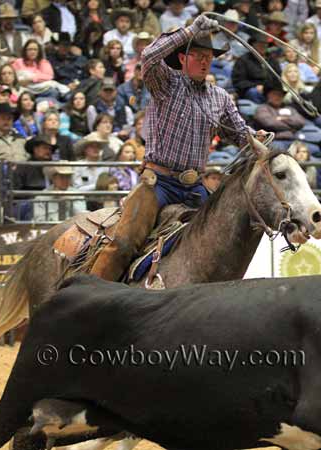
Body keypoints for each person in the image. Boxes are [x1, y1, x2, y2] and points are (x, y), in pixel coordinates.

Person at [88, 15, 267, 281]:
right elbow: (148, 56)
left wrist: (256, 138)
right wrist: (190, 30)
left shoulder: (220, 98)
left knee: (222, 238)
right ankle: (91, 292)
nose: (204, 61)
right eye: (197, 55)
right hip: (158, 184)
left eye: (208, 56)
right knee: (124, 244)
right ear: (182, 59)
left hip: (195, 186)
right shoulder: (167, 83)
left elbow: (239, 133)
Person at [253, 80, 306, 151]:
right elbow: (270, 123)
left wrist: (282, 119)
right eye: (274, 94)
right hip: (275, 141)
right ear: (268, 95)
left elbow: (301, 122)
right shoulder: (262, 109)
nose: (277, 97)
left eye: (280, 95)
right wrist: (292, 127)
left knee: (304, 150)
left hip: (294, 140)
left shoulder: (290, 108)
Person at [232, 33, 281, 103]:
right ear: (253, 45)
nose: (263, 46)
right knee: (254, 92)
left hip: (270, 89)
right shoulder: (243, 60)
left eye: (265, 44)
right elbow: (239, 82)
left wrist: (268, 88)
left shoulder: (273, 60)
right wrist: (255, 86)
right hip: (251, 90)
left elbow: (278, 78)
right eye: (259, 44)